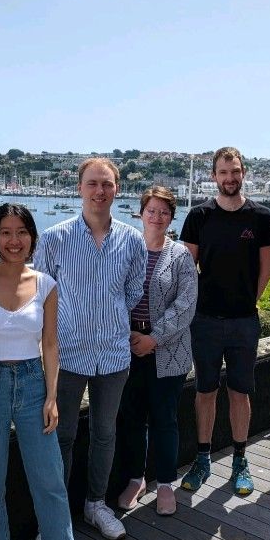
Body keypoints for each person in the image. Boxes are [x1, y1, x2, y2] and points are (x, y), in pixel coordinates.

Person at [0, 203, 98, 540]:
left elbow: (51, 344)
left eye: (21, 232)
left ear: (31, 237)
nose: (13, 240)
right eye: (5, 232)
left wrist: (52, 396)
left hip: (32, 382)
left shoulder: (45, 284)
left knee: (49, 478)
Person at [33, 158, 146, 540]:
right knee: (61, 436)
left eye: (108, 184)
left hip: (113, 356)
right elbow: (41, 296)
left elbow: (132, 293)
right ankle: (57, 514)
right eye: (93, 183)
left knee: (104, 433)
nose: (100, 191)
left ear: (117, 189)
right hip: (66, 355)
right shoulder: (55, 238)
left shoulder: (132, 240)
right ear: (79, 188)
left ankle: (96, 504)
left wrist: (109, 320)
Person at [180, 147, 270, 496]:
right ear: (213, 176)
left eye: (234, 171)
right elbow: (185, 270)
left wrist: (249, 301)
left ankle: (240, 460)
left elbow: (266, 269)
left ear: (243, 172)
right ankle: (202, 459)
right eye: (223, 172)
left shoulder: (260, 217)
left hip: (243, 321)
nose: (229, 178)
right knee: (205, 391)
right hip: (204, 319)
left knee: (240, 392)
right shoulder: (198, 216)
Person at [116, 187, 198, 516]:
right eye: (151, 210)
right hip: (127, 348)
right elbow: (111, 294)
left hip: (168, 352)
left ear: (171, 217)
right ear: (141, 213)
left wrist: (155, 338)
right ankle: (136, 479)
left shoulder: (179, 256)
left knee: (165, 419)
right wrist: (128, 335)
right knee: (131, 419)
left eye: (164, 212)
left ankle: (165, 482)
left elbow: (186, 305)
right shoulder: (124, 250)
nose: (157, 217)